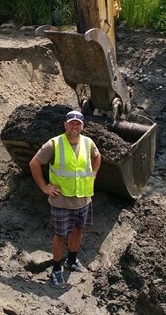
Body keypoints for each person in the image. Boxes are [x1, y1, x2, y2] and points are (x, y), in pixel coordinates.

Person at [29, 110, 101, 288]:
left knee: (78, 231)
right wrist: (44, 187)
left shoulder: (88, 142)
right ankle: (56, 270)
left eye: (78, 123)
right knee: (60, 236)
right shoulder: (54, 144)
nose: (75, 126)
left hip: (83, 199)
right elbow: (34, 163)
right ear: (65, 125)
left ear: (82, 126)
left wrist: (93, 173)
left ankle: (72, 260)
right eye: (71, 123)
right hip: (62, 201)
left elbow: (97, 157)